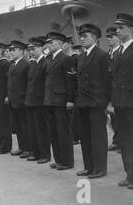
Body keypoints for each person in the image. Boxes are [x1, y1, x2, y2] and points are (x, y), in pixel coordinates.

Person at [75, 24, 112, 179]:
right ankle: (89, 167)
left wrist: (109, 102)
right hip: (83, 102)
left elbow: (109, 81)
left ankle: (100, 168)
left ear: (95, 38)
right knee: (85, 136)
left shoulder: (102, 55)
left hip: (97, 103)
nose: (82, 38)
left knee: (98, 137)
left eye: (86, 36)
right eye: (81, 36)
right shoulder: (81, 57)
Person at [107, 13, 133, 189]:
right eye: (117, 28)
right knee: (125, 140)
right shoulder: (118, 52)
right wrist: (112, 103)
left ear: (131, 29)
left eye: (121, 28)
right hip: (121, 103)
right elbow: (114, 80)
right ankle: (130, 175)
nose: (118, 31)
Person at [44, 32, 75, 171]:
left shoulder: (66, 59)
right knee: (54, 132)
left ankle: (67, 161)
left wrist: (70, 100)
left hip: (61, 101)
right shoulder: (50, 59)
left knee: (63, 132)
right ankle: (58, 160)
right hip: (51, 100)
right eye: (48, 43)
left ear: (60, 44)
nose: (48, 45)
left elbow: (71, 82)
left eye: (51, 42)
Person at [25, 37, 51, 163]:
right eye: (30, 50)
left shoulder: (45, 63)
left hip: (40, 102)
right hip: (31, 101)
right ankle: (35, 152)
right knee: (33, 129)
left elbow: (46, 84)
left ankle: (44, 154)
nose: (31, 52)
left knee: (42, 129)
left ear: (41, 48)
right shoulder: (33, 64)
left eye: (33, 49)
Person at [7, 40, 31, 158]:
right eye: (10, 50)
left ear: (21, 51)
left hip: (22, 100)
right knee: (18, 126)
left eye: (14, 50)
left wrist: (25, 98)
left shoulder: (26, 64)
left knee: (25, 126)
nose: (11, 52)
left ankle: (28, 148)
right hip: (13, 100)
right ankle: (21, 147)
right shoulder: (12, 64)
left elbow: (28, 84)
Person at [105, 27, 121, 152]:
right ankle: (117, 140)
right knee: (114, 118)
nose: (109, 39)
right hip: (111, 90)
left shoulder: (120, 52)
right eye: (108, 37)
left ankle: (124, 142)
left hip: (121, 90)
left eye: (112, 37)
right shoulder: (108, 54)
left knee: (123, 118)